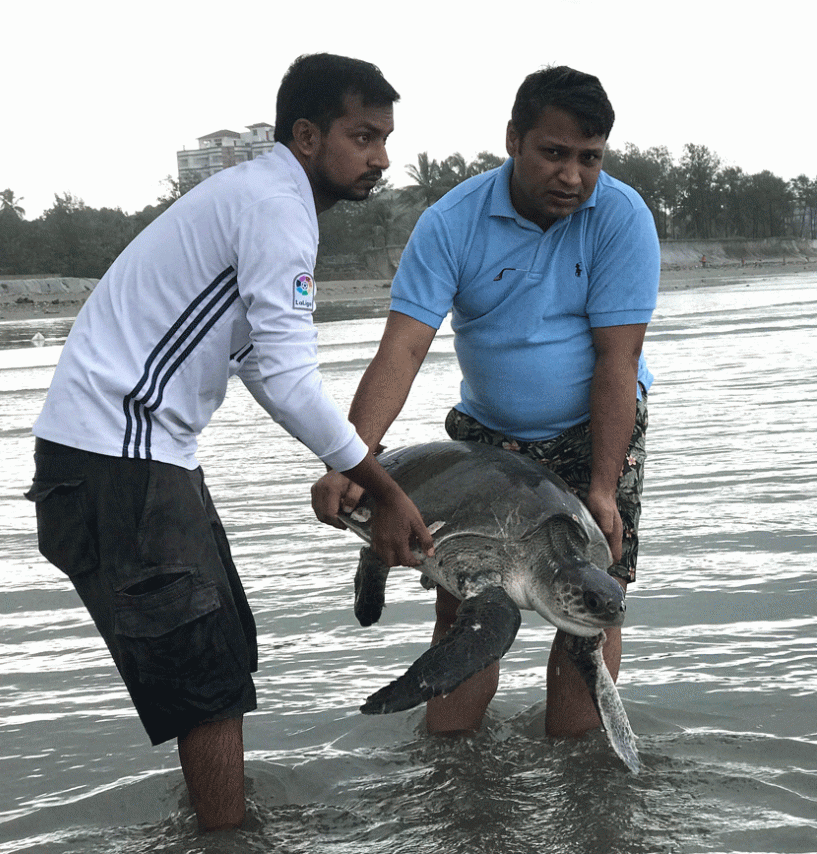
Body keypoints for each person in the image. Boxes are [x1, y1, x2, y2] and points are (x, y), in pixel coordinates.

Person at [26, 53, 434, 832]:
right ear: (308, 135)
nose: (381, 157)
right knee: (207, 677)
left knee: (222, 653)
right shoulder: (277, 206)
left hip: (128, 456)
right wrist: (380, 487)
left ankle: (219, 829)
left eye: (385, 138)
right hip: (119, 457)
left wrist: (346, 463)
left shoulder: (261, 198)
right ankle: (227, 839)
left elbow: (248, 356)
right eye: (364, 135)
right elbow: (284, 373)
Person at [311, 65, 659, 740]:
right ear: (513, 140)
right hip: (488, 440)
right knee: (467, 608)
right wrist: (348, 460)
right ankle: (452, 768)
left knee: (587, 614)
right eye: (554, 153)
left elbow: (618, 362)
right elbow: (403, 351)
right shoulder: (451, 223)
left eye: (590, 158)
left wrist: (604, 489)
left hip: (595, 429)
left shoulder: (621, 217)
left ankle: (581, 769)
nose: (573, 176)